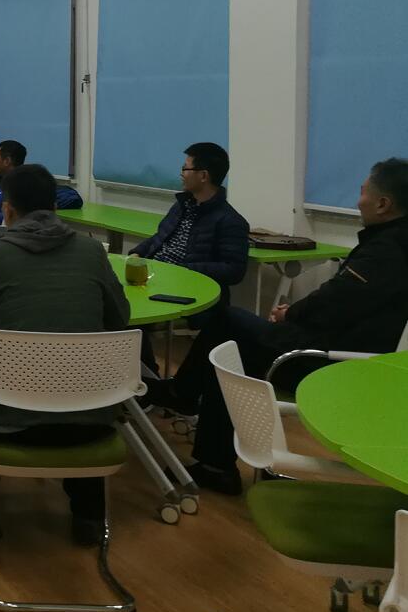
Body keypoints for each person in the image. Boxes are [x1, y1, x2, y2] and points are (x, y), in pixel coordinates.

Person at [148, 158, 408, 495]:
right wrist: (296, 313)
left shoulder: (386, 251)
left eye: (362, 192)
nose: (358, 201)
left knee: (227, 325)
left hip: (326, 362)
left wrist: (289, 314)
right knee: (230, 344)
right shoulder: (393, 243)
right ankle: (209, 451)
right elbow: (340, 300)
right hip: (338, 349)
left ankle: (186, 401)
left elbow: (336, 303)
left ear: (383, 204)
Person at [0, 164, 130, 548]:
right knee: (73, 385)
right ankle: (88, 515)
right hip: (91, 417)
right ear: (55, 207)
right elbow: (119, 318)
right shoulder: (92, 253)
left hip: (6, 418)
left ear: (7, 210)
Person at [129, 143, 249, 372]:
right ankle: (129, 373)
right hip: (155, 277)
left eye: (185, 168)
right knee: (111, 301)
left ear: (203, 176)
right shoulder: (182, 205)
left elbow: (234, 270)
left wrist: (184, 270)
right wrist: (137, 252)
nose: (181, 174)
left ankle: (147, 376)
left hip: (186, 291)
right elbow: (160, 237)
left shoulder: (230, 221)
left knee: (129, 312)